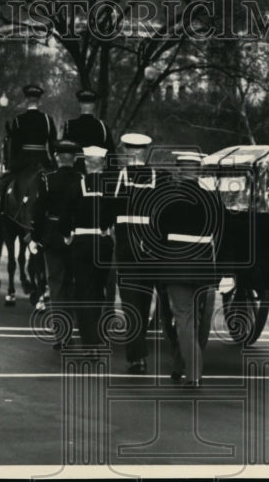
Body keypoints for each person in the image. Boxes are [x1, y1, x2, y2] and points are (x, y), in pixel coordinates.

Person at [159, 153, 222, 388]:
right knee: (192, 319)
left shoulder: (168, 197)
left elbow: (159, 230)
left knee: (184, 319)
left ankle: (194, 374)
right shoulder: (211, 199)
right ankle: (179, 366)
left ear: (178, 170)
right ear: (199, 171)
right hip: (202, 265)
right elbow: (218, 231)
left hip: (176, 264)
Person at [111, 132, 160, 374]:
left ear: (129, 152)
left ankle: (137, 356)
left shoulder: (121, 176)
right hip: (150, 245)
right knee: (143, 298)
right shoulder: (157, 176)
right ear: (144, 152)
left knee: (130, 301)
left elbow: (112, 209)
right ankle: (138, 349)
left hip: (127, 245)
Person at [32, 140, 83, 349]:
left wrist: (37, 236)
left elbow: (38, 210)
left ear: (57, 157)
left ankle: (60, 332)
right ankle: (69, 331)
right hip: (76, 236)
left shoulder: (47, 179)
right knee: (71, 284)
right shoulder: (82, 179)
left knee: (55, 284)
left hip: (53, 236)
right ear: (75, 158)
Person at [66, 146, 118, 346]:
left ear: (87, 163)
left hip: (82, 243)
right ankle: (97, 336)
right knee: (98, 291)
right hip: (104, 243)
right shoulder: (111, 187)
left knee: (83, 291)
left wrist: (67, 234)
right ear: (103, 164)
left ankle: (89, 341)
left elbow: (65, 218)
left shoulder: (76, 186)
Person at [62, 89, 115, 173]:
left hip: (75, 171)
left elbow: (64, 152)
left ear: (80, 104)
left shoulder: (69, 125)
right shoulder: (103, 126)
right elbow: (111, 154)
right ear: (93, 105)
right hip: (96, 171)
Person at [6, 84, 57, 173]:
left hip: (23, 160)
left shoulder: (18, 119)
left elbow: (15, 146)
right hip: (42, 161)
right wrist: (53, 161)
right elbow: (52, 144)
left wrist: (12, 164)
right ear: (39, 101)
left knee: (3, 184)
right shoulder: (47, 119)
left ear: (26, 100)